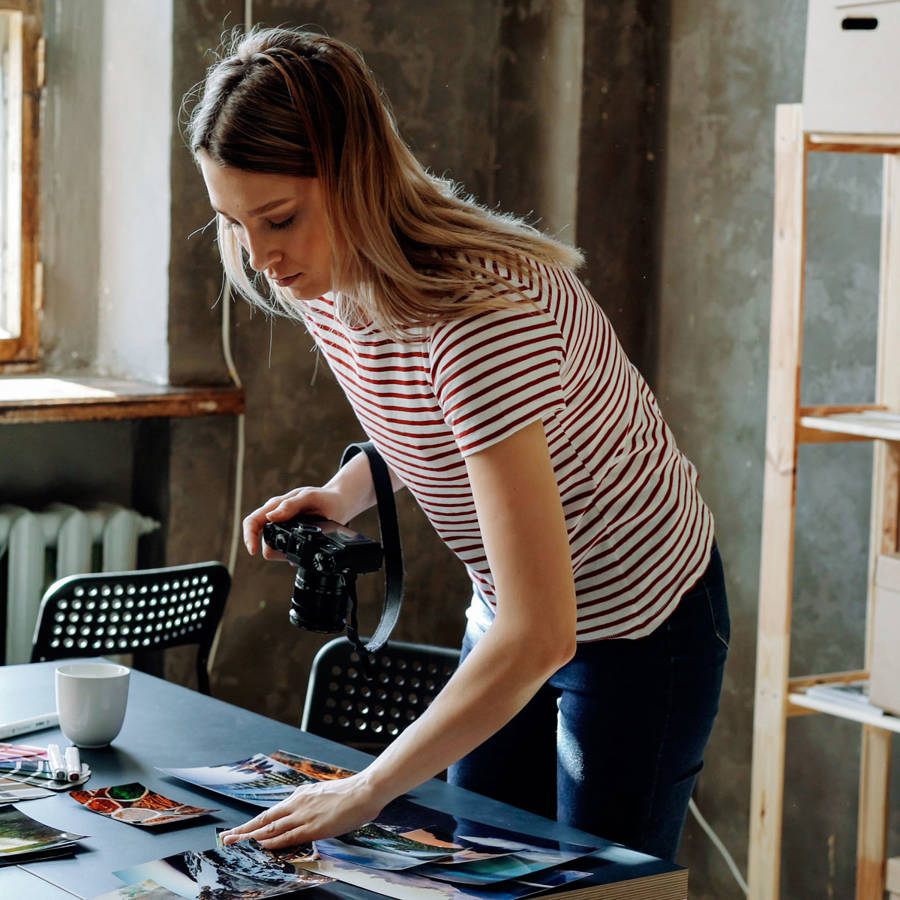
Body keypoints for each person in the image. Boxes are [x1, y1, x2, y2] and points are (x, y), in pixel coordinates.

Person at [188, 26, 729, 862]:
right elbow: (428, 424)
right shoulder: (320, 274)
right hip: (511, 609)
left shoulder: (482, 319)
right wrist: (347, 492)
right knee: (477, 866)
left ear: (354, 176)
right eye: (233, 223)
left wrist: (367, 787)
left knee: (593, 882)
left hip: (636, 621)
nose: (260, 257)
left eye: (279, 218)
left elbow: (543, 633)